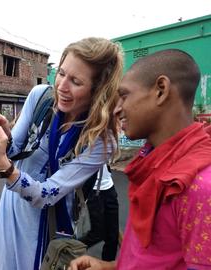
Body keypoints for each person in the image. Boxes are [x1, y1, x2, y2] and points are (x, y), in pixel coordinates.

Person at [0, 37, 124, 270]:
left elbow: (45, 195)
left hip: (46, 222)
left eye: (76, 81)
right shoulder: (41, 97)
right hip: (12, 205)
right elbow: (15, 151)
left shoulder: (101, 141)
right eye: (61, 73)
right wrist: (2, 136)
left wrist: (3, 166)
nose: (62, 86)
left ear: (98, 89)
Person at [68, 49, 211, 270]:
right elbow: (157, 259)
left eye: (124, 96)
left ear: (161, 91)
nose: (116, 109)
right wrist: (109, 266)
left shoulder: (200, 187)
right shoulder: (153, 160)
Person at [79, 164, 119, 261]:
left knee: (113, 236)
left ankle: (107, 265)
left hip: (109, 188)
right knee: (97, 234)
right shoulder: (85, 148)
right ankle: (68, 248)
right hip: (94, 192)